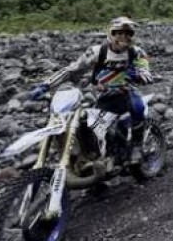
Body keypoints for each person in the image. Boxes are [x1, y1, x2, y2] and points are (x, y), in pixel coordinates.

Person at [29, 16, 153, 164]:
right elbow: (72, 70)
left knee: (137, 106)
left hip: (126, 93)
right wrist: (45, 85)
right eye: (119, 33)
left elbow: (147, 75)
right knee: (90, 128)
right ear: (111, 33)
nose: (123, 37)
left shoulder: (137, 53)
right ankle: (94, 159)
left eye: (128, 34)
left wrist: (138, 75)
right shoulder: (97, 52)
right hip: (103, 95)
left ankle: (136, 147)